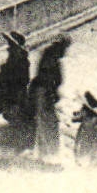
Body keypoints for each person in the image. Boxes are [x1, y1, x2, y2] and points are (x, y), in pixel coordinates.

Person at [27, 34, 71, 162]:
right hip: (44, 94)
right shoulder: (51, 59)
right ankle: (47, 154)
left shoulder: (52, 56)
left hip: (46, 94)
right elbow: (48, 80)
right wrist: (53, 94)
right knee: (47, 124)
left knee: (45, 123)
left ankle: (44, 152)